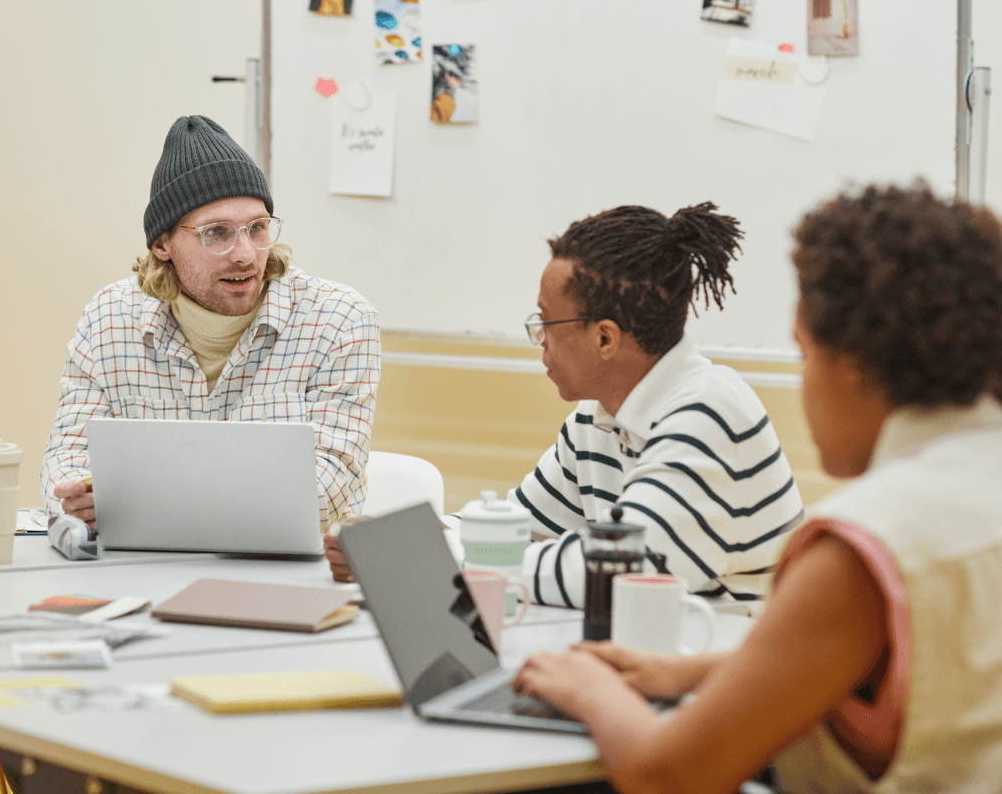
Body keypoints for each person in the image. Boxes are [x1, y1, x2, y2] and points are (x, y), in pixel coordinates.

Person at [512, 183, 1002, 793]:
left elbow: (668, 775)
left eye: (803, 355)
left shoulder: (862, 547)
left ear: (850, 361)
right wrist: (689, 674)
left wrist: (591, 690)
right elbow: (900, 665)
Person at [327, 204, 804, 603]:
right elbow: (525, 526)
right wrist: (402, 544)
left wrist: (428, 560)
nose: (539, 341)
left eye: (547, 323)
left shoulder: (709, 413)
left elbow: (620, 576)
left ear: (604, 338)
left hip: (725, 673)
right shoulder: (596, 417)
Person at [44, 115, 379, 531]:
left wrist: (140, 498)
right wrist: (78, 495)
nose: (245, 254)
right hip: (138, 570)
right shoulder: (109, 318)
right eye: (216, 233)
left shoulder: (339, 320)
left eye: (257, 228)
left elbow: (327, 490)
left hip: (285, 576)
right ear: (163, 244)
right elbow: (65, 461)